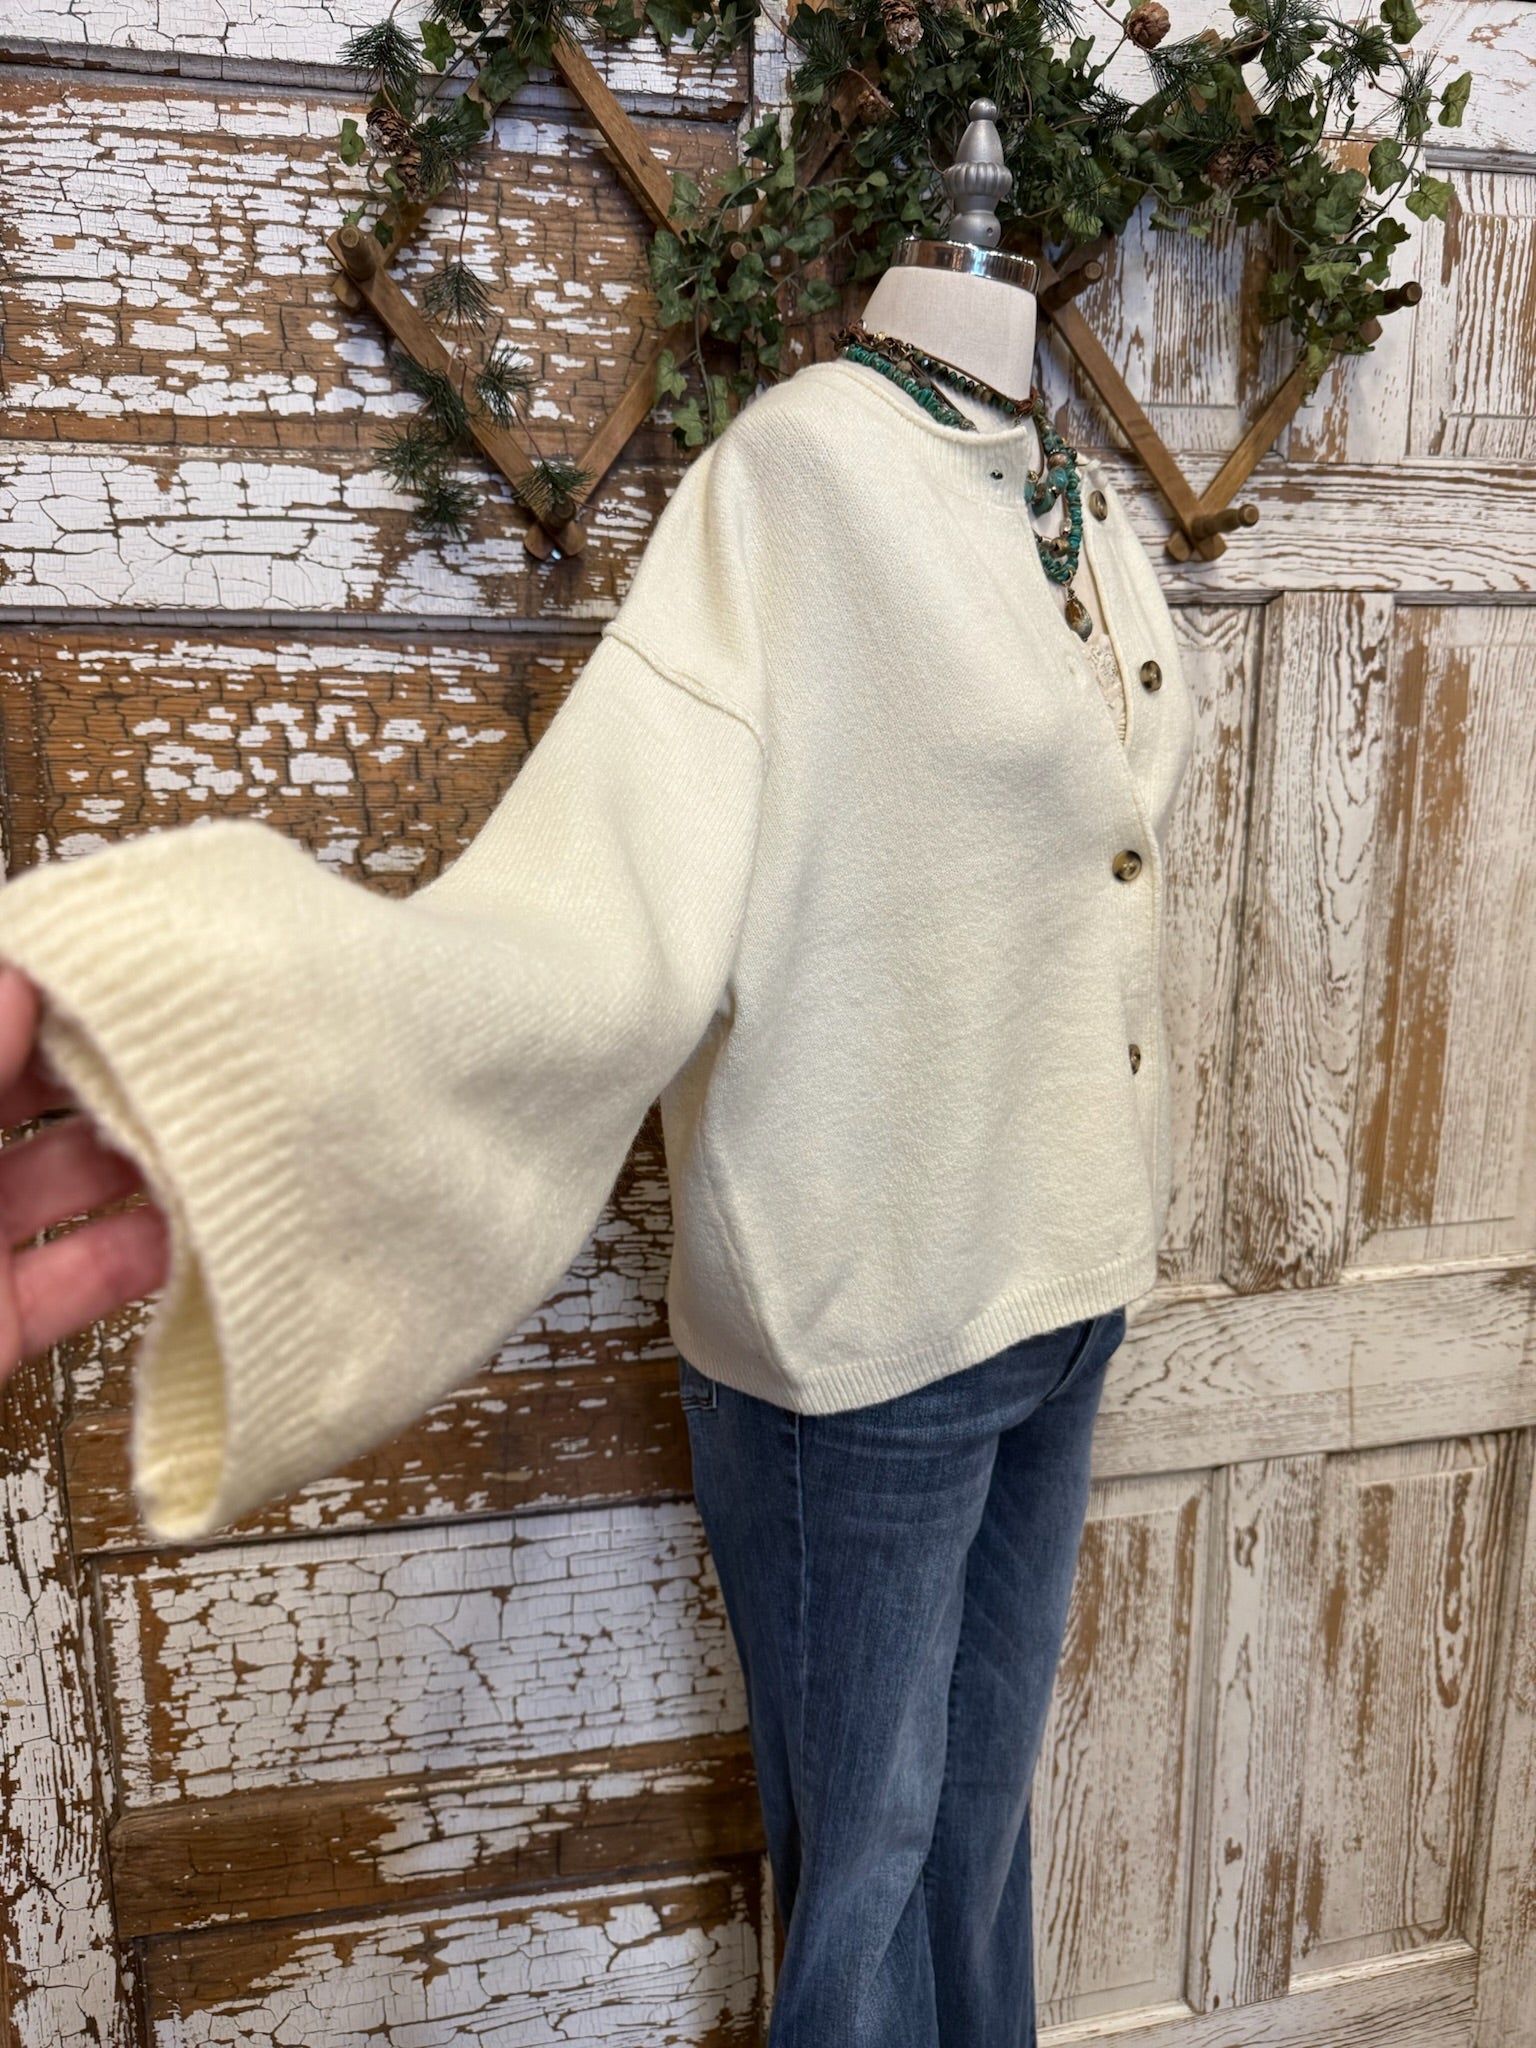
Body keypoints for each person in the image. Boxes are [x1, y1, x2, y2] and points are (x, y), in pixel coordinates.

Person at [0, 338, 1189, 2045]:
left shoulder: (1069, 494)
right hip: (864, 1323)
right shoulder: (798, 480)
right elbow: (606, 900)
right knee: (868, 1872)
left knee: (982, 1844)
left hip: (1065, 1288)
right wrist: (282, 1028)